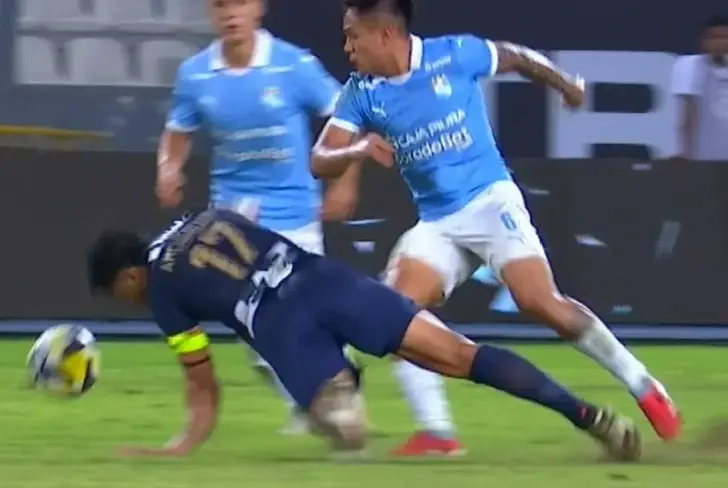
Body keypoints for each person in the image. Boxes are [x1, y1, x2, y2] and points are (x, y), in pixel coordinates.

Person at [311, 0, 681, 445]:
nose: (347, 47)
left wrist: (565, 84)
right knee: (392, 319)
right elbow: (320, 158)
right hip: (438, 223)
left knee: (539, 301)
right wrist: (355, 150)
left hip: (489, 202)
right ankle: (439, 434)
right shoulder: (361, 92)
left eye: (353, 36)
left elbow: (515, 56)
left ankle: (643, 384)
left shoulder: (453, 55)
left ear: (385, 33)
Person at [86, 208, 641, 461]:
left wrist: (179, 447)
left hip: (284, 330)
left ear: (130, 275)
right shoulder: (204, 216)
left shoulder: (162, 291)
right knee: (460, 355)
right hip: (327, 282)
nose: (130, 301)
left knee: (346, 434)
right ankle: (588, 416)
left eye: (121, 293)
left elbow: (203, 387)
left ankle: (340, 388)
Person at [154, 0, 359, 434]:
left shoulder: (294, 65)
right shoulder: (195, 74)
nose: (231, 13)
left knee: (298, 315)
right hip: (232, 224)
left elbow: (346, 115)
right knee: (256, 336)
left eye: (240, 3)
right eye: (221, 5)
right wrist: (168, 169)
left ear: (258, 8)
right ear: (211, 13)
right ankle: (316, 398)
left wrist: (344, 183)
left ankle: (328, 387)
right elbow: (177, 132)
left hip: (294, 212)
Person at [671, 14, 728, 161]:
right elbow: (689, 111)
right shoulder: (688, 65)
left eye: (725, 37)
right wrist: (687, 152)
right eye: (714, 37)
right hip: (704, 157)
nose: (720, 42)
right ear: (703, 41)